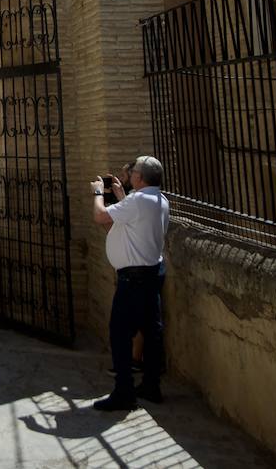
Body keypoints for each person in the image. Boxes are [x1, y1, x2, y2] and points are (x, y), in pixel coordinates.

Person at [90, 155, 169, 411]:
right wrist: (122, 196)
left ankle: (124, 391)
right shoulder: (160, 200)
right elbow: (136, 223)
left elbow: (101, 217)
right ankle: (151, 385)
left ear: (140, 177)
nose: (131, 173)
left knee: (120, 332)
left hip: (132, 279)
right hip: (152, 274)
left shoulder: (137, 201)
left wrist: (98, 193)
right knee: (152, 331)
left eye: (133, 170)